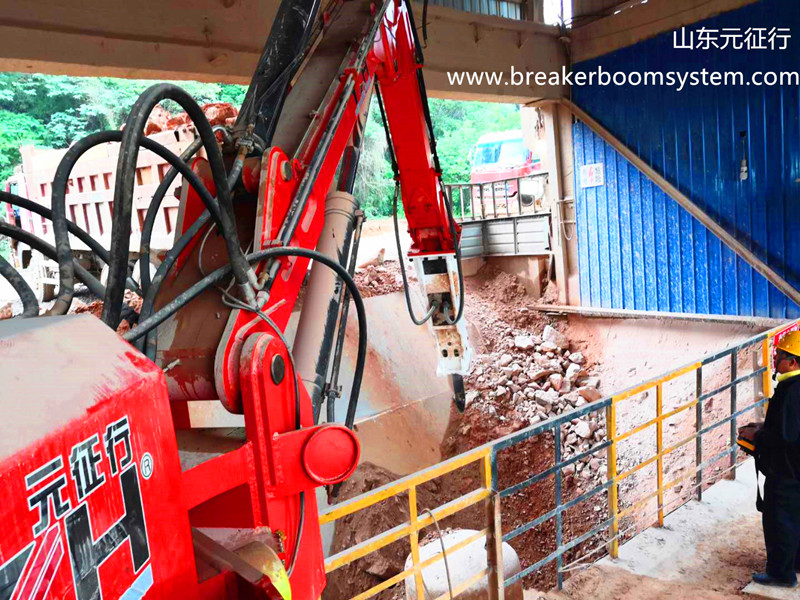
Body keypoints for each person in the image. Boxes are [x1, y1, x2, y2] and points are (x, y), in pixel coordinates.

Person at [751, 330, 800, 588]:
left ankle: (781, 574)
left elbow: (787, 436)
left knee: (779, 520)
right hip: (796, 470)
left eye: (780, 355)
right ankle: (795, 563)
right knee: (795, 518)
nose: (775, 359)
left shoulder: (791, 390)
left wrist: (758, 437)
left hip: (786, 471)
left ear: (792, 361)